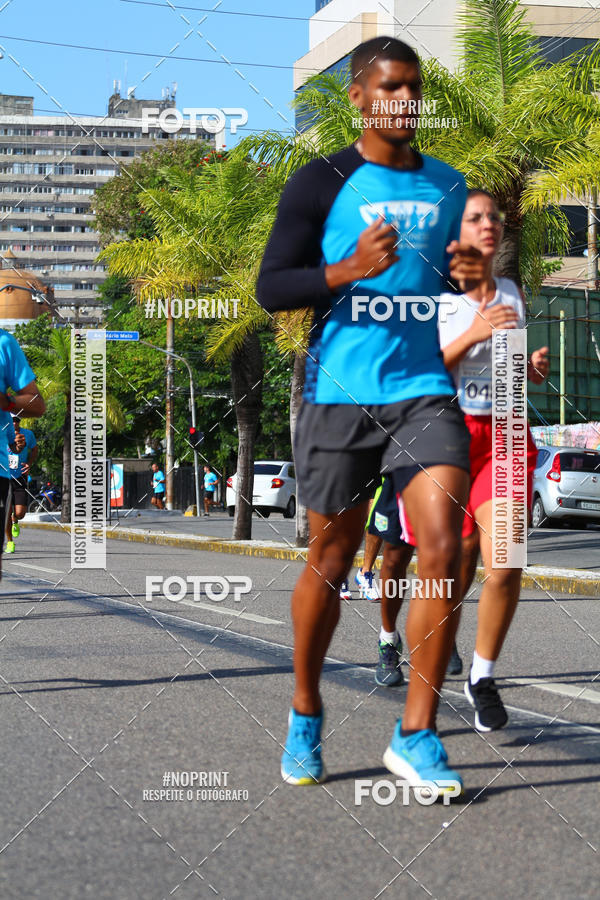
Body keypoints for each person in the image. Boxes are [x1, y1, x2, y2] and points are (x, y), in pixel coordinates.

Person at [257, 36, 485, 793]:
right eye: (389, 87)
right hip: (339, 395)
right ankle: (304, 709)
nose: (405, 101)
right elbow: (272, 287)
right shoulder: (320, 182)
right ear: (358, 95)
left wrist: (469, 278)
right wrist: (346, 270)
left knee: (445, 543)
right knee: (330, 557)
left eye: (414, 88)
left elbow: (459, 282)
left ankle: (416, 731)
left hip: (423, 388)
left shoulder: (450, 186)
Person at [438, 188, 549, 731]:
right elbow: (423, 368)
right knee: (456, 563)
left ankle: (482, 676)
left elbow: (501, 359)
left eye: (495, 218)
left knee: (506, 558)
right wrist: (475, 333)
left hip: (504, 431)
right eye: (477, 217)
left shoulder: (510, 288)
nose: (491, 224)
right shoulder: (432, 296)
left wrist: (527, 365)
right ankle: (438, 640)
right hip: (449, 436)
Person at [0, 330, 45, 576]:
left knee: (17, 512)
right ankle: (9, 536)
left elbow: (37, 405)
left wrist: (26, 459)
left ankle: (10, 532)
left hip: (10, 473)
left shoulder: (4, 342)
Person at [5, 414, 38, 553]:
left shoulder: (28, 434)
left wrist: (29, 464)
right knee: (7, 511)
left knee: (20, 513)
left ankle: (15, 519)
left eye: (16, 420)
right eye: (11, 420)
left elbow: (34, 450)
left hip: (20, 477)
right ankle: (10, 542)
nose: (14, 423)